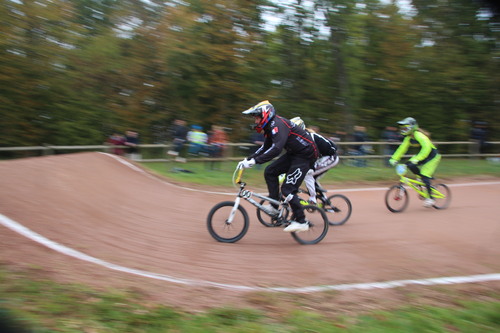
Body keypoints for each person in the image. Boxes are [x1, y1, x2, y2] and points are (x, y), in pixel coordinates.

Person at [238, 100, 318, 233]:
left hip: (305, 156)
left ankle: (302, 221)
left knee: (287, 189)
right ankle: (274, 206)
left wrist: (255, 162)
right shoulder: (270, 126)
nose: (255, 121)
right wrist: (248, 159)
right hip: (294, 154)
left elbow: (276, 149)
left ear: (265, 114)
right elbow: (266, 147)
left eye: (257, 118)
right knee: (270, 171)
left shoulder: (278, 124)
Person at [389, 117, 441, 207]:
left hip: (433, 156)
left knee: (425, 174)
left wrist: (417, 159)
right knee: (409, 164)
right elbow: (402, 149)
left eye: (405, 128)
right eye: (402, 128)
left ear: (412, 128)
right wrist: (394, 159)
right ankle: (419, 178)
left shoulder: (419, 135)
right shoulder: (408, 138)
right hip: (423, 156)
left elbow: (426, 148)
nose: (403, 130)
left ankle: (430, 199)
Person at [290, 117, 339, 205]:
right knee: (313, 177)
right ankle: (325, 200)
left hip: (330, 156)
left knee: (308, 174)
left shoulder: (310, 137)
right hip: (323, 157)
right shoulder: (302, 138)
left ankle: (313, 199)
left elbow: (313, 154)